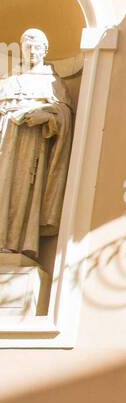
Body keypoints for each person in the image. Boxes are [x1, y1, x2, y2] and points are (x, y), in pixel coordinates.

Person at [0, 28, 73, 259]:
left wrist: (47, 117)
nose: (32, 51)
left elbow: (64, 114)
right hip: (4, 142)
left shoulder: (53, 83)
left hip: (31, 146)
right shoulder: (10, 81)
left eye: (37, 47)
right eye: (27, 47)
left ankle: (14, 244)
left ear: (45, 50)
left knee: (22, 192)